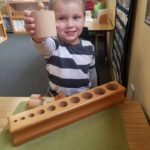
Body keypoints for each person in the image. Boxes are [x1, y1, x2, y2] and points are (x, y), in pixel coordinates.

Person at [24, 0, 97, 96]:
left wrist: (95, 90)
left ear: (84, 19)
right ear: (52, 21)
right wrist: (38, 35)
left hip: (83, 99)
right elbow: (42, 44)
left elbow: (92, 73)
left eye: (76, 17)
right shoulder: (54, 45)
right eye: (62, 18)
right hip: (57, 99)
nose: (70, 25)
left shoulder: (89, 47)